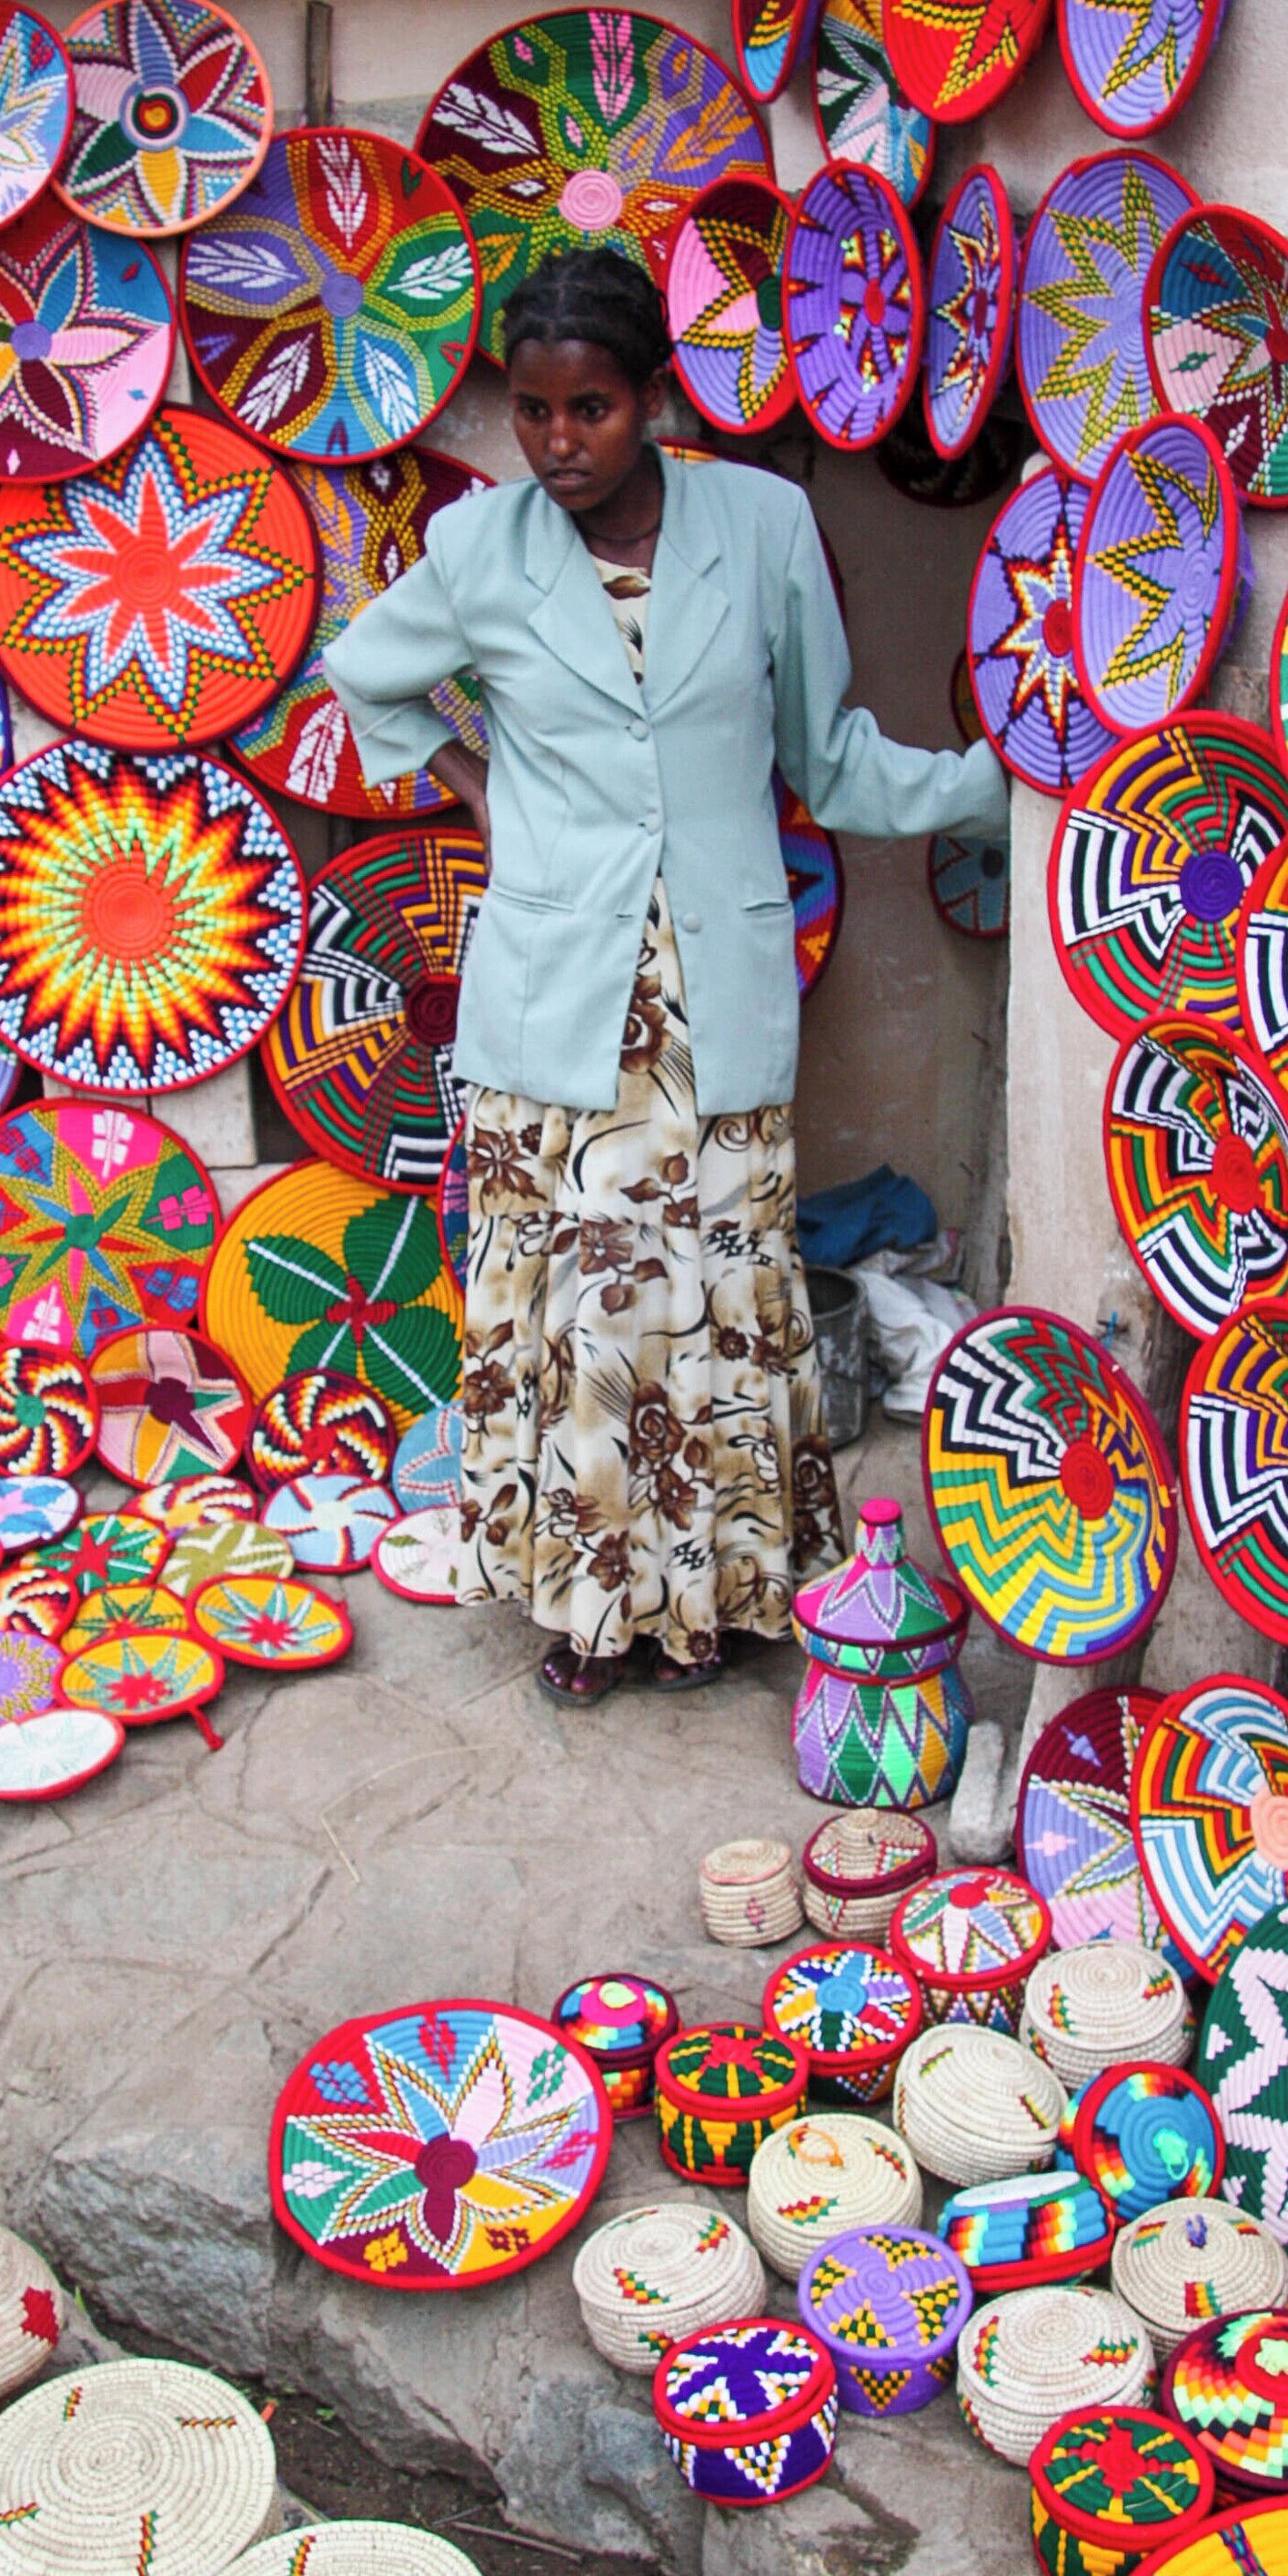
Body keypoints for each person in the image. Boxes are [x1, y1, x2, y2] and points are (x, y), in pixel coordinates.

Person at [322, 245, 1009, 1705]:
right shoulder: (482, 553)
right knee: (575, 1310)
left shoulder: (761, 528)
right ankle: (588, 1610)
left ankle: (713, 1596)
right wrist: (472, 778)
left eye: (590, 411)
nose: (558, 445)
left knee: (713, 1299)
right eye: (532, 412)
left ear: (653, 399)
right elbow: (362, 670)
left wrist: (1001, 792)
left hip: (714, 996)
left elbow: (827, 757)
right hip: (556, 992)